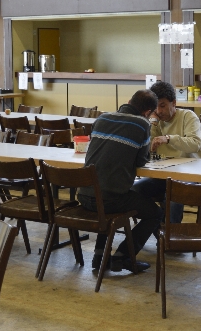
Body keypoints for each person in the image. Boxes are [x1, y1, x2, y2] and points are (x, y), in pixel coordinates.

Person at [77, 89, 162, 273]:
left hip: (84, 195)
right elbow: (141, 161)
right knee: (155, 213)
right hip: (110, 200)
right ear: (147, 112)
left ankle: (99, 257)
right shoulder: (142, 124)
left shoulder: (102, 118)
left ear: (129, 101)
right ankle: (122, 257)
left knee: (104, 199)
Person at [132, 81, 201, 223]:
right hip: (165, 174)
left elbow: (195, 144)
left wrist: (168, 139)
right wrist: (152, 124)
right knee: (134, 191)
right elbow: (147, 147)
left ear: (173, 102)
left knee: (174, 193)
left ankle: (170, 235)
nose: (159, 111)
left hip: (193, 174)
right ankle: (159, 225)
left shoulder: (188, 116)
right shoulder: (156, 121)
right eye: (155, 107)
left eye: (163, 106)